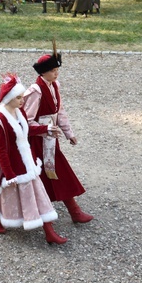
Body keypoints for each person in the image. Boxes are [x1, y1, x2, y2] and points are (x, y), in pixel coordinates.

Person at [0, 73, 67, 244]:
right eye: (18, 97)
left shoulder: (19, 113)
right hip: (12, 166)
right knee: (1, 194)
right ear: (9, 98)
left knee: (39, 195)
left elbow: (27, 130)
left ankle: (49, 231)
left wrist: (46, 129)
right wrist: (9, 173)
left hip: (27, 162)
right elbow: (0, 150)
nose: (22, 100)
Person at [23, 46, 94, 224]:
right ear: (43, 72)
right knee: (49, 173)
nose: (56, 74)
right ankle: (44, 211)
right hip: (37, 142)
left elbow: (59, 111)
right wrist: (44, 129)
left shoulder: (54, 86)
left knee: (56, 172)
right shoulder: (35, 92)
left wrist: (69, 132)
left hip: (51, 140)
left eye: (57, 70)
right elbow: (26, 122)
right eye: (53, 71)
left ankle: (72, 211)